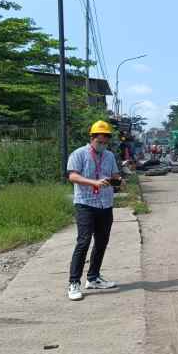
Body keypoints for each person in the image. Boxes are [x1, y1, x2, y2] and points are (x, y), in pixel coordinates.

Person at [66, 120, 121, 301]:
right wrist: (93, 182)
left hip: (105, 204)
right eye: (100, 141)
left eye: (106, 142)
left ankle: (94, 277)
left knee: (101, 242)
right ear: (92, 138)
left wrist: (118, 180)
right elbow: (72, 176)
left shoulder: (110, 156)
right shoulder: (79, 154)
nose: (102, 145)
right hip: (85, 203)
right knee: (83, 241)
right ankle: (74, 282)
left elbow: (114, 175)